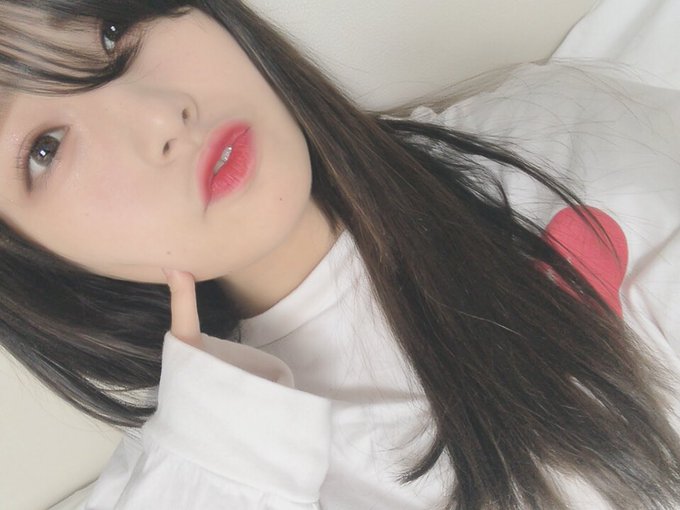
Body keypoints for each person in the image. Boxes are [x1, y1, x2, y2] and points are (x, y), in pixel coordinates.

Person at [1, 1, 679, 509]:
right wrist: (215, 444)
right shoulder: (212, 468)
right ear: (30, 261)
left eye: (114, 28)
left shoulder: (555, 136)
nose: (159, 117)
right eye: (45, 149)